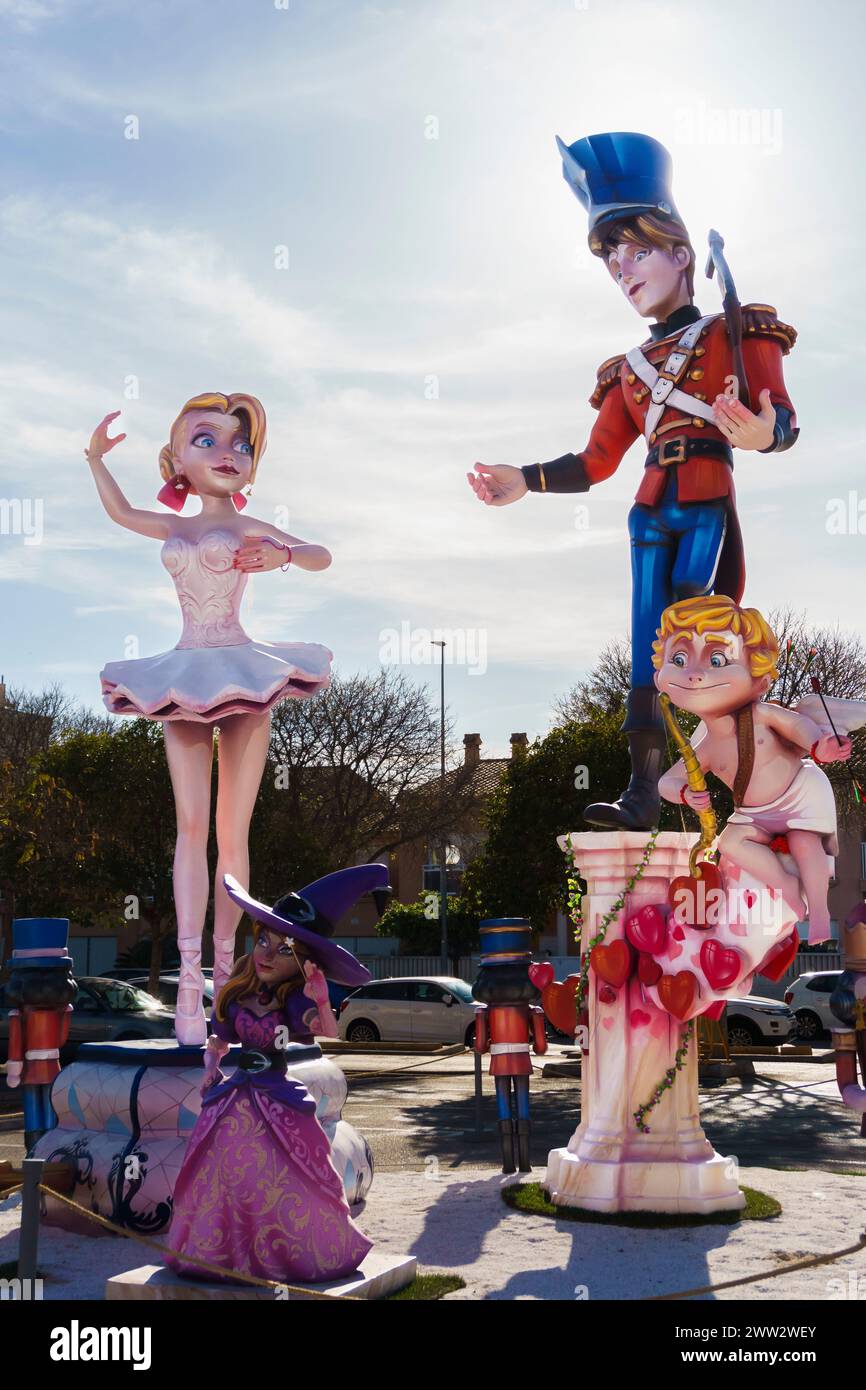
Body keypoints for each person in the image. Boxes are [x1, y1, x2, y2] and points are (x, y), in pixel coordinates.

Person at [467, 132, 798, 831]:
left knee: (694, 628)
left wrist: (761, 433)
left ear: (681, 254)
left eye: (636, 249)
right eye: (612, 256)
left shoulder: (737, 331)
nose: (622, 268)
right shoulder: (625, 370)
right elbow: (595, 462)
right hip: (648, 509)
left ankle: (731, 757)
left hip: (707, 495)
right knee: (648, 647)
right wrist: (524, 479)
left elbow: (783, 422)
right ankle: (643, 791)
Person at [86, 393, 332, 1042]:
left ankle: (227, 977)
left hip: (242, 668)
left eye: (241, 445)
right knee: (190, 825)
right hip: (186, 669)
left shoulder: (249, 528)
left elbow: (318, 554)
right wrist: (93, 458)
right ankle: (189, 987)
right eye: (208, 440)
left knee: (232, 828)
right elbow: (118, 512)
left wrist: (283, 556)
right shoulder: (175, 528)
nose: (228, 453)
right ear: (176, 460)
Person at [165, 864, 387, 1285]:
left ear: (303, 965)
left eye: (285, 950)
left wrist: (323, 1000)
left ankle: (288, 1252)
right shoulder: (237, 998)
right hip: (236, 1093)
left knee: (295, 1175)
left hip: (277, 1095)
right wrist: (211, 1069)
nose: (267, 954)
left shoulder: (291, 1006)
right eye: (264, 941)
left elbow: (328, 1032)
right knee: (224, 1170)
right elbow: (219, 1044)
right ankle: (221, 1252)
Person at [654, 595, 866, 945]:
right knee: (730, 842)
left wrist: (823, 747)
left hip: (799, 795)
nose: (694, 674)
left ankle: (819, 911)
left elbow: (802, 730)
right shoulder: (704, 744)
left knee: (803, 841)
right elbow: (668, 780)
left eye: (718, 659)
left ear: (758, 672)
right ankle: (785, 888)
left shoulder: (762, 715)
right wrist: (685, 793)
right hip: (752, 813)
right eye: (678, 659)